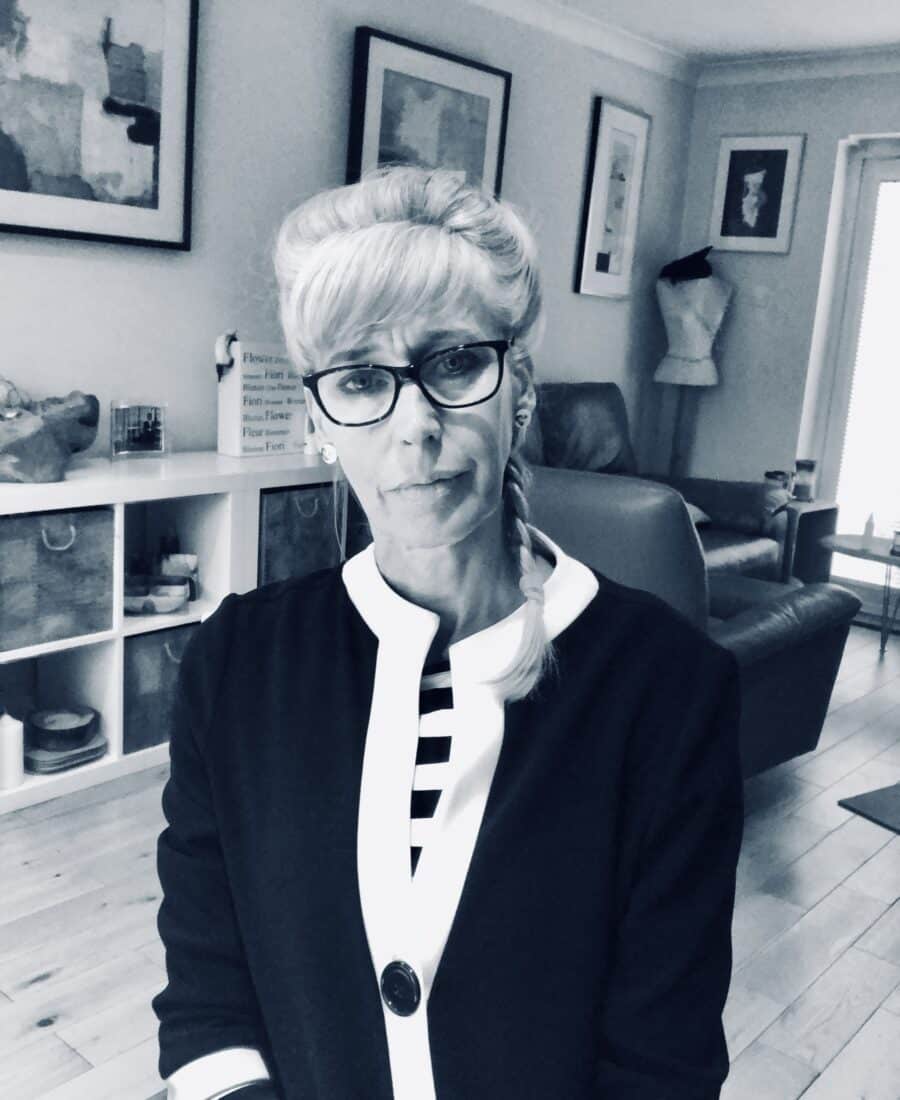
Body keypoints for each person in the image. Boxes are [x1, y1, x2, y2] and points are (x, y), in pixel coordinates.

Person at [152, 166, 745, 1100]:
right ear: (319, 416)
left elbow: (662, 1064)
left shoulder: (669, 691)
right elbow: (205, 992)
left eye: (456, 363)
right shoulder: (233, 666)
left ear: (520, 388)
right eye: (360, 380)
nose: (415, 427)